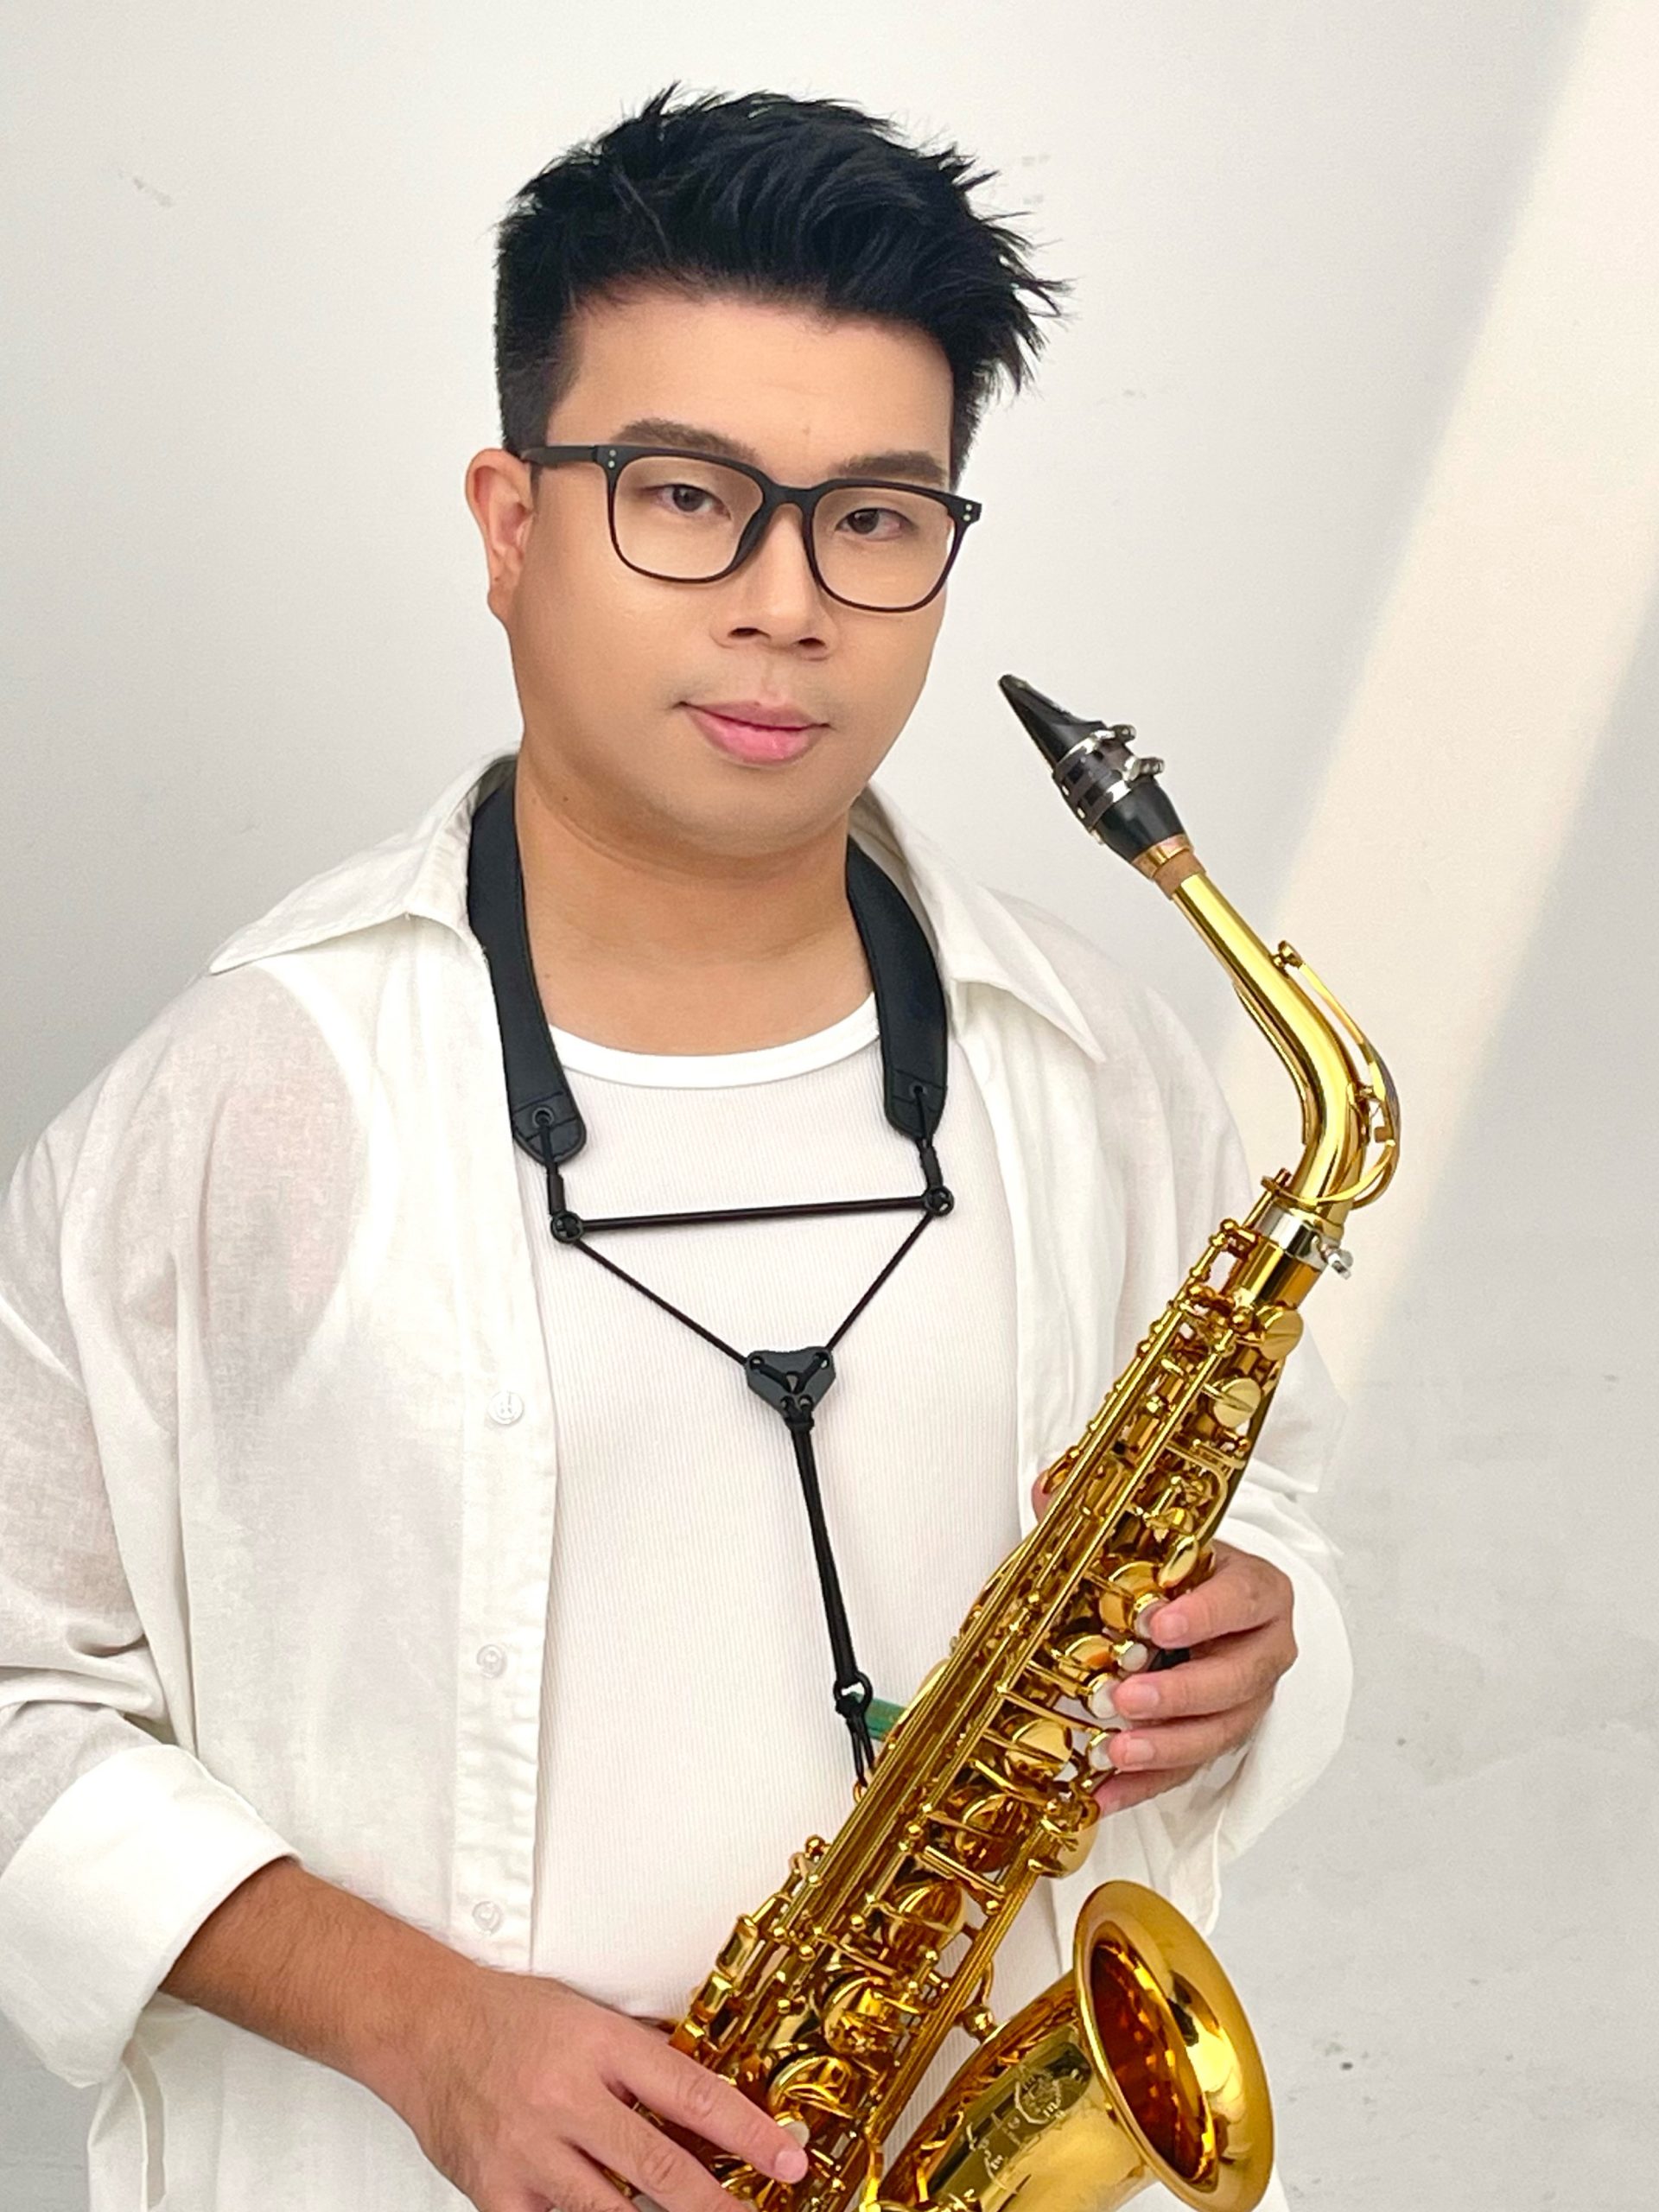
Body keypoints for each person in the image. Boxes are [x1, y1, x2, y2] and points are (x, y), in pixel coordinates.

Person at [0, 83, 1351, 2212]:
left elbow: (1270, 1506)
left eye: (875, 517)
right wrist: (422, 2024)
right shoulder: (243, 1096)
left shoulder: (1104, 1064)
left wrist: (1265, 1635)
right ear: (509, 525)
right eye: (689, 496)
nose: (788, 601)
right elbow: (16, 1702)